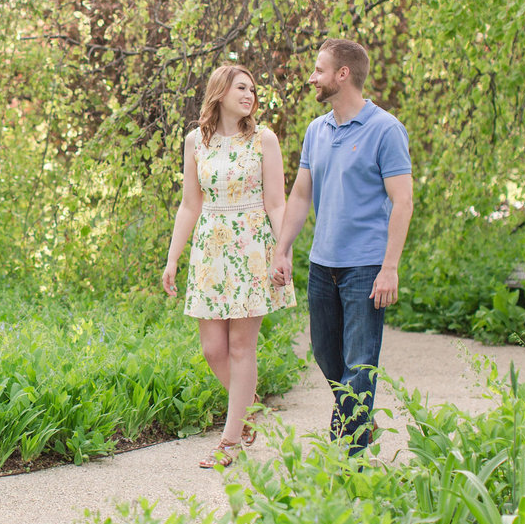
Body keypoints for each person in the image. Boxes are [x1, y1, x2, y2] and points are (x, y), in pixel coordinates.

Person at [271, 39, 413, 455]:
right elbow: (299, 196)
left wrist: (390, 267)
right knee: (326, 356)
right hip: (322, 265)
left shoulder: (386, 129)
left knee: (358, 366)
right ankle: (358, 427)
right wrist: (282, 249)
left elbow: (402, 202)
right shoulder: (317, 130)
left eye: (319, 69)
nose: (311, 77)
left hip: (366, 268)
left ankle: (349, 462)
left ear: (343, 74)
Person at [162, 64, 297, 468]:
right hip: (210, 251)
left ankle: (230, 442)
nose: (249, 95)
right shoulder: (195, 142)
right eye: (241, 87)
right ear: (219, 92)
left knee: (241, 347)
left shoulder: (263, 139)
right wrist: (173, 259)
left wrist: (283, 251)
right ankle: (250, 409)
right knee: (212, 348)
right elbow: (190, 205)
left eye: (252, 89)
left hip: (252, 247)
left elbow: (277, 202)